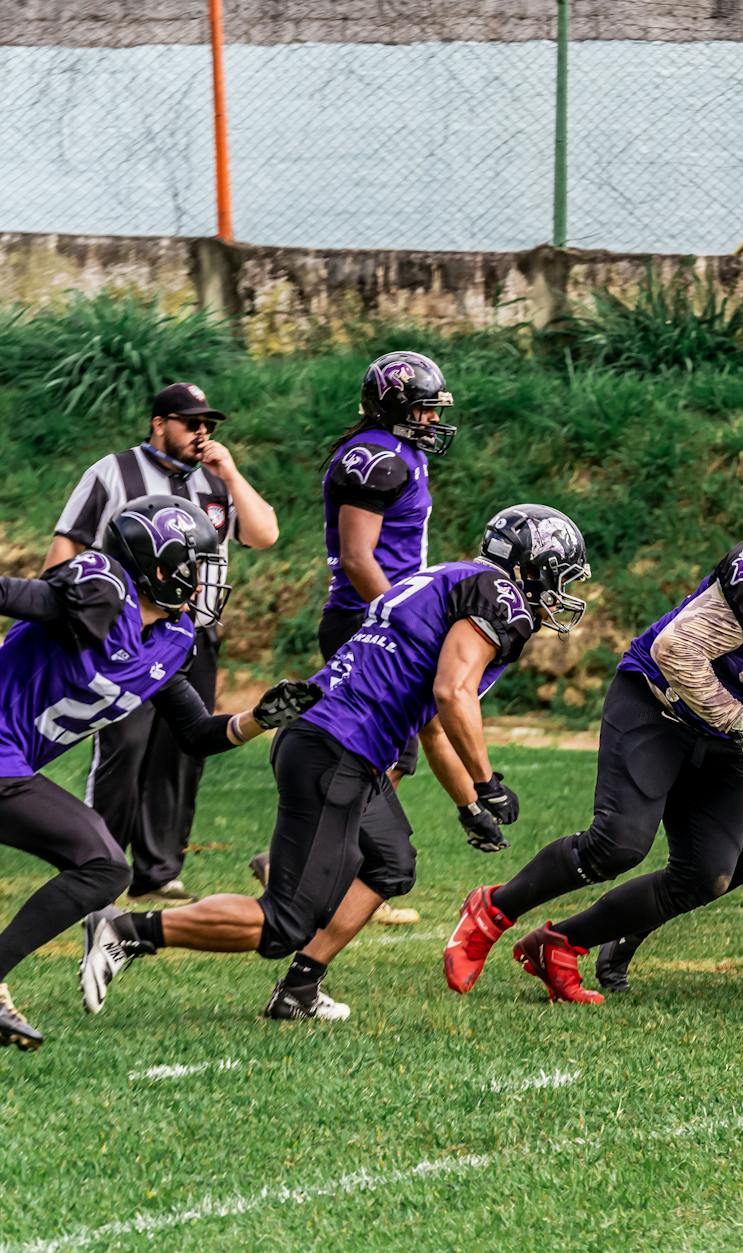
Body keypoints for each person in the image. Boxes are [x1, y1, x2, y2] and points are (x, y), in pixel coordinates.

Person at [79, 505, 588, 1021]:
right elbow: (453, 692)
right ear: (530, 566)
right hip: (338, 746)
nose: (561, 591)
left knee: (391, 862)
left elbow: (432, 724)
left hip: (329, 737)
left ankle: (299, 988)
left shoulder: (453, 577)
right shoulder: (500, 597)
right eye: (560, 575)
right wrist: (487, 779)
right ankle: (127, 930)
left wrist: (469, 804)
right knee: (283, 923)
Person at [441, 529, 743, 1004]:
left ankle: (561, 944)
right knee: (618, 843)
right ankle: (492, 910)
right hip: (655, 704)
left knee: (707, 874)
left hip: (716, 736)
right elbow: (676, 651)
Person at [0, 497, 312, 1050]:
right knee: (103, 866)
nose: (205, 581)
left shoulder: (170, 637)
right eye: (196, 566)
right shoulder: (103, 587)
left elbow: (196, 732)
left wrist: (258, 719)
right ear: (160, 569)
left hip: (11, 764)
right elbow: (14, 595)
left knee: (103, 868)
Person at [46, 381, 279, 903]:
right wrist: (66, 619)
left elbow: (264, 534)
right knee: (123, 747)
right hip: (128, 633)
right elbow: (66, 547)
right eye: (192, 423)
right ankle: (96, 865)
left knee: (180, 753)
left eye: (208, 424)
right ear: (159, 424)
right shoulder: (114, 472)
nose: (202, 433)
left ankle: (158, 872)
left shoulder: (216, 482)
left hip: (193, 633)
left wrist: (231, 472)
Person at [249, 350, 456, 928]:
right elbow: (357, 557)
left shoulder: (401, 451)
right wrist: (403, 620)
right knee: (372, 754)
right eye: (423, 409)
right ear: (392, 408)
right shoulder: (375, 459)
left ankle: (306, 861)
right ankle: (337, 867)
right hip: (365, 618)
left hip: (375, 615)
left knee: (390, 756)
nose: (432, 419)